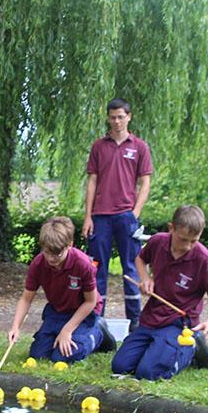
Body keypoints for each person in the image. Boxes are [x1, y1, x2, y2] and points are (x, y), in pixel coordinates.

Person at [111, 205, 208, 380]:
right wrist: (145, 278)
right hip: (152, 317)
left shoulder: (204, 260)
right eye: (182, 239)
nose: (188, 246)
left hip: (180, 323)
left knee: (148, 373)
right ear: (171, 228)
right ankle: (162, 349)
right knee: (119, 366)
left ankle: (192, 347)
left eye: (193, 241)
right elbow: (140, 258)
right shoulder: (158, 242)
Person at [82, 97, 153, 329]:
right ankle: (96, 318)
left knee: (131, 268)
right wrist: (88, 216)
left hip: (126, 216)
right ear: (108, 118)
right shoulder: (98, 146)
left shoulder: (139, 147)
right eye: (112, 117)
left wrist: (135, 214)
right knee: (97, 268)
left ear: (129, 117)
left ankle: (134, 320)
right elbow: (92, 182)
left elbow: (145, 184)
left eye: (121, 117)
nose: (116, 121)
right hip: (100, 216)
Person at [7, 216, 103, 363]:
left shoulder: (82, 264)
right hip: (57, 311)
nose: (51, 259)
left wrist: (67, 330)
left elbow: (91, 302)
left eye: (57, 253)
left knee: (63, 356)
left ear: (69, 244)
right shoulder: (38, 264)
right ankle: (62, 332)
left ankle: (97, 334)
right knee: (38, 355)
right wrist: (15, 327)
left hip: (84, 312)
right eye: (47, 252)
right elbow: (26, 298)